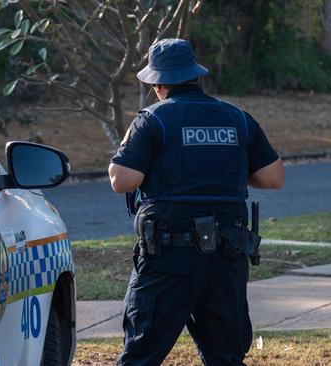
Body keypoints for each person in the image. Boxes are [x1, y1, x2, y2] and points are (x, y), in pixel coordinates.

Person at [108, 38, 285, 366]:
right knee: (225, 357)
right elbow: (273, 178)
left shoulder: (153, 119)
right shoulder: (237, 118)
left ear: (158, 84)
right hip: (226, 257)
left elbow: (122, 181)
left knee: (141, 355)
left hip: (168, 259)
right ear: (196, 77)